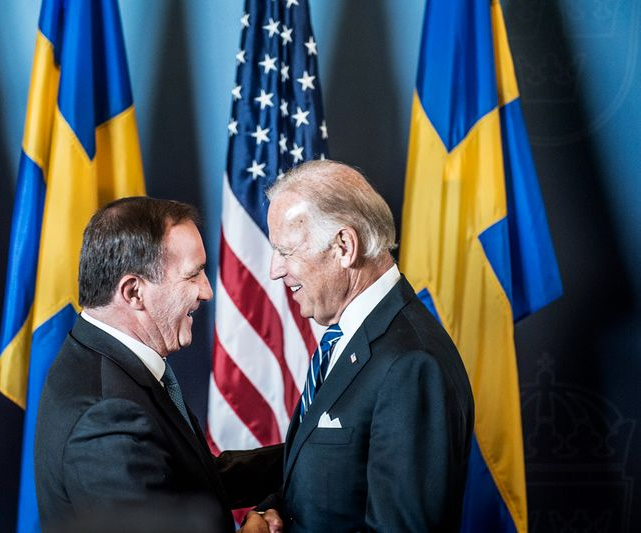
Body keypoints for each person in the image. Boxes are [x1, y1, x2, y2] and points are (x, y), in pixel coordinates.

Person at [34, 197, 283, 533]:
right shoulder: (106, 416)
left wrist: (307, 454)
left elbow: (191, 478)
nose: (207, 291)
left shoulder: (102, 358)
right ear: (134, 292)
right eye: (193, 275)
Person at [261, 160, 474, 532]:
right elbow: (323, 475)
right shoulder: (349, 336)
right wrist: (269, 514)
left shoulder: (410, 364)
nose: (274, 270)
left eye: (286, 251)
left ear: (344, 246)